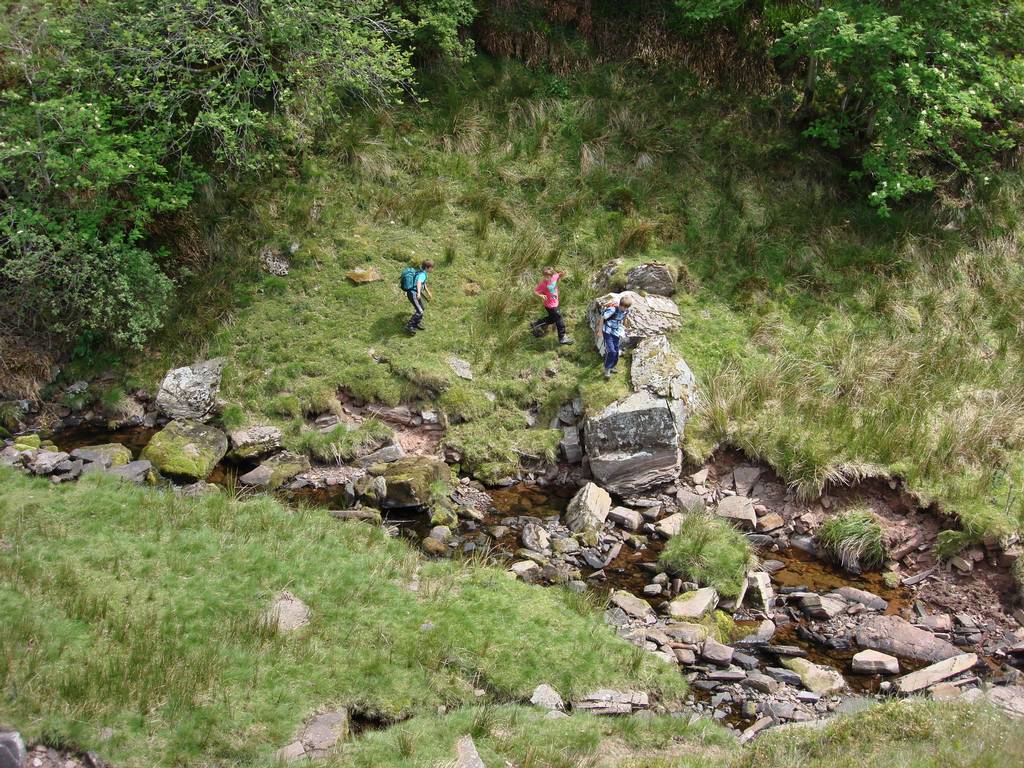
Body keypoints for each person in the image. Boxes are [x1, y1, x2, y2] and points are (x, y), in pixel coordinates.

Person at [529, 266, 574, 345]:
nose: (547, 278)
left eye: (548, 276)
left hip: (555, 303)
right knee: (559, 319)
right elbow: (535, 291)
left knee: (552, 319)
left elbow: (558, 275)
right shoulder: (543, 284)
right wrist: (541, 296)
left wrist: (562, 274)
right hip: (550, 305)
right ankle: (562, 337)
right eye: (545, 276)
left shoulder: (554, 277)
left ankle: (536, 324)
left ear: (551, 275)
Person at [595, 295, 632, 378]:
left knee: (615, 350)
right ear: (620, 305)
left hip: (616, 332)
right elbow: (602, 318)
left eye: (627, 307)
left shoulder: (626, 311)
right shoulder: (612, 310)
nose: (625, 309)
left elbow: (624, 319)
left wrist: (626, 326)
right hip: (607, 332)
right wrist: (600, 331)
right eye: (624, 307)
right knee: (611, 351)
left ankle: (612, 366)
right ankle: (607, 369)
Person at [401, 259, 433, 333]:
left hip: (414, 293)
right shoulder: (423, 274)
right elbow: (419, 282)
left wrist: (428, 292)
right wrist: (418, 293)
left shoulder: (422, 273)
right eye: (432, 267)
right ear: (427, 267)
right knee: (420, 311)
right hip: (413, 294)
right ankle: (409, 326)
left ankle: (416, 323)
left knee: (422, 307)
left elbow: (423, 284)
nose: (432, 269)